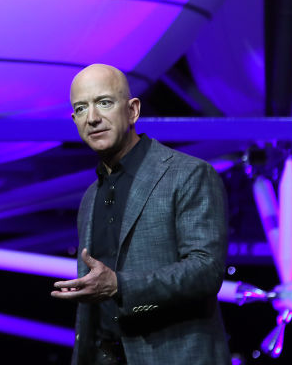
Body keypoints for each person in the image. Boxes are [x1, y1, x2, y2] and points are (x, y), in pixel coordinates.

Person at [51, 63, 230, 365]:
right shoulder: (90, 197)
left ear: (133, 110)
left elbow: (205, 271)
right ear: (74, 120)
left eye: (104, 102)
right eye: (81, 108)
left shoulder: (188, 174)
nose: (92, 118)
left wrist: (119, 285)